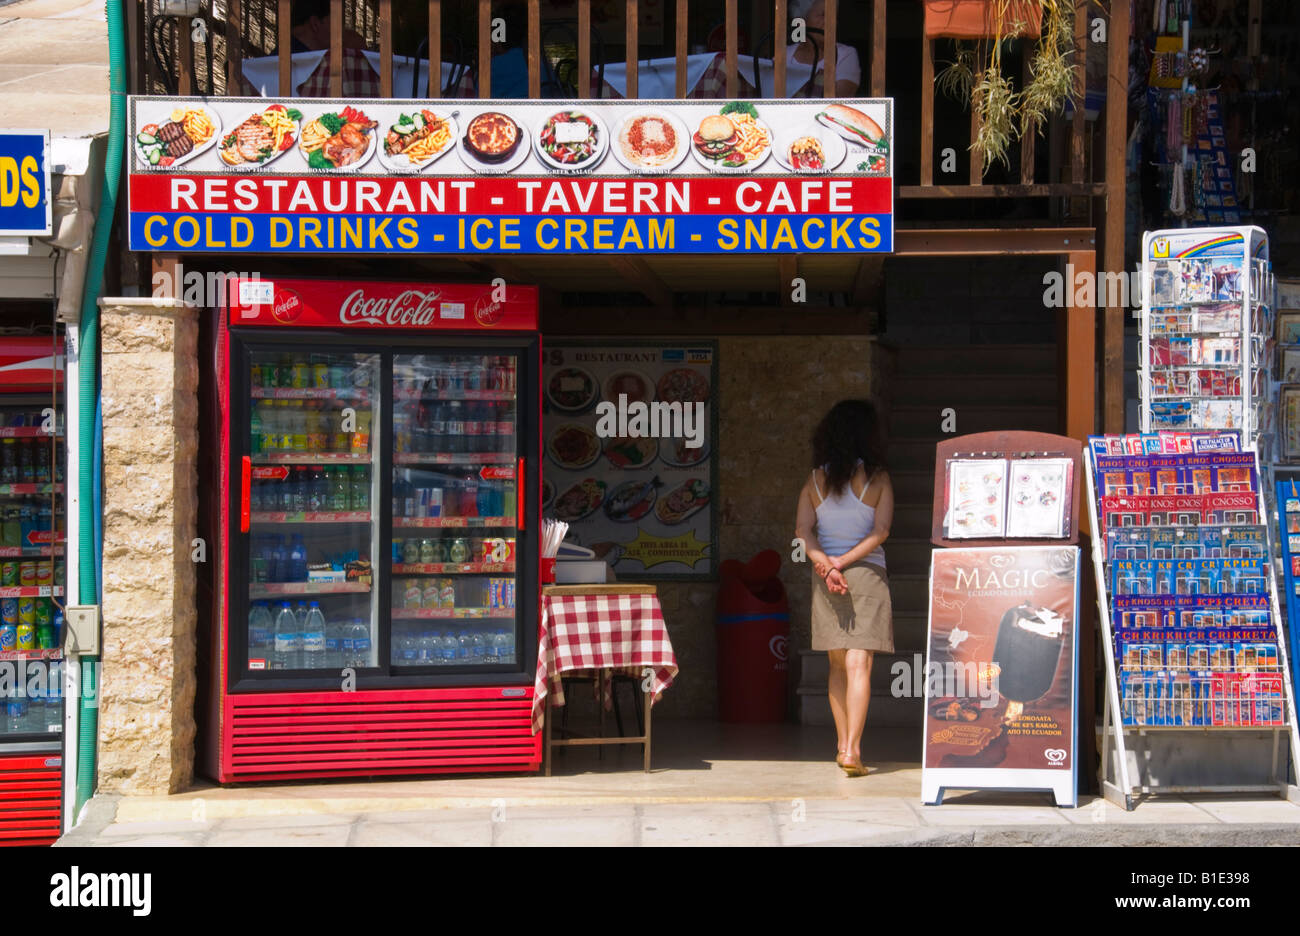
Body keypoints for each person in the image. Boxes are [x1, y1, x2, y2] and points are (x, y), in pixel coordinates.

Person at [794, 399, 893, 777]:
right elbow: (880, 532)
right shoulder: (878, 479)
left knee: (835, 665)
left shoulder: (813, 481)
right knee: (859, 664)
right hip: (865, 573)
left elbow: (803, 532)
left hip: (824, 577)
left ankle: (841, 746)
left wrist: (826, 563)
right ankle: (853, 749)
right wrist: (843, 563)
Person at [787, 0, 861, 96]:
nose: (831, 21)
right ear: (802, 20)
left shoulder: (846, 54)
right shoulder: (785, 54)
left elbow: (840, 101)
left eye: (833, 15)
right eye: (823, 15)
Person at [284, 0, 366, 53]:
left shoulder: (275, 62)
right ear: (315, 24)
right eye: (338, 23)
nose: (342, 31)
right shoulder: (312, 67)